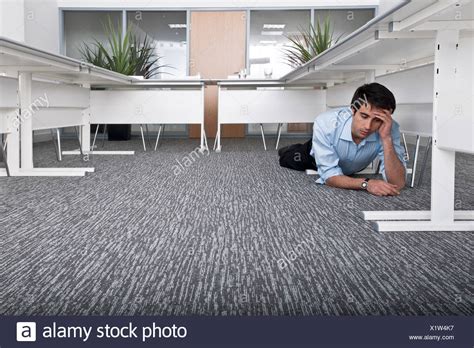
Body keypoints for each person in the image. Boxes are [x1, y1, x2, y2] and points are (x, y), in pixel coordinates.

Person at [278, 83, 407, 196]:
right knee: (286, 158)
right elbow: (330, 176)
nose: (368, 126)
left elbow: (397, 183)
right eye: (364, 116)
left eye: (377, 120)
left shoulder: (389, 128)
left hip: (351, 167)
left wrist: (386, 139)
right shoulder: (326, 123)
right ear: (352, 110)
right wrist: (366, 184)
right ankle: (288, 149)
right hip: (313, 157)